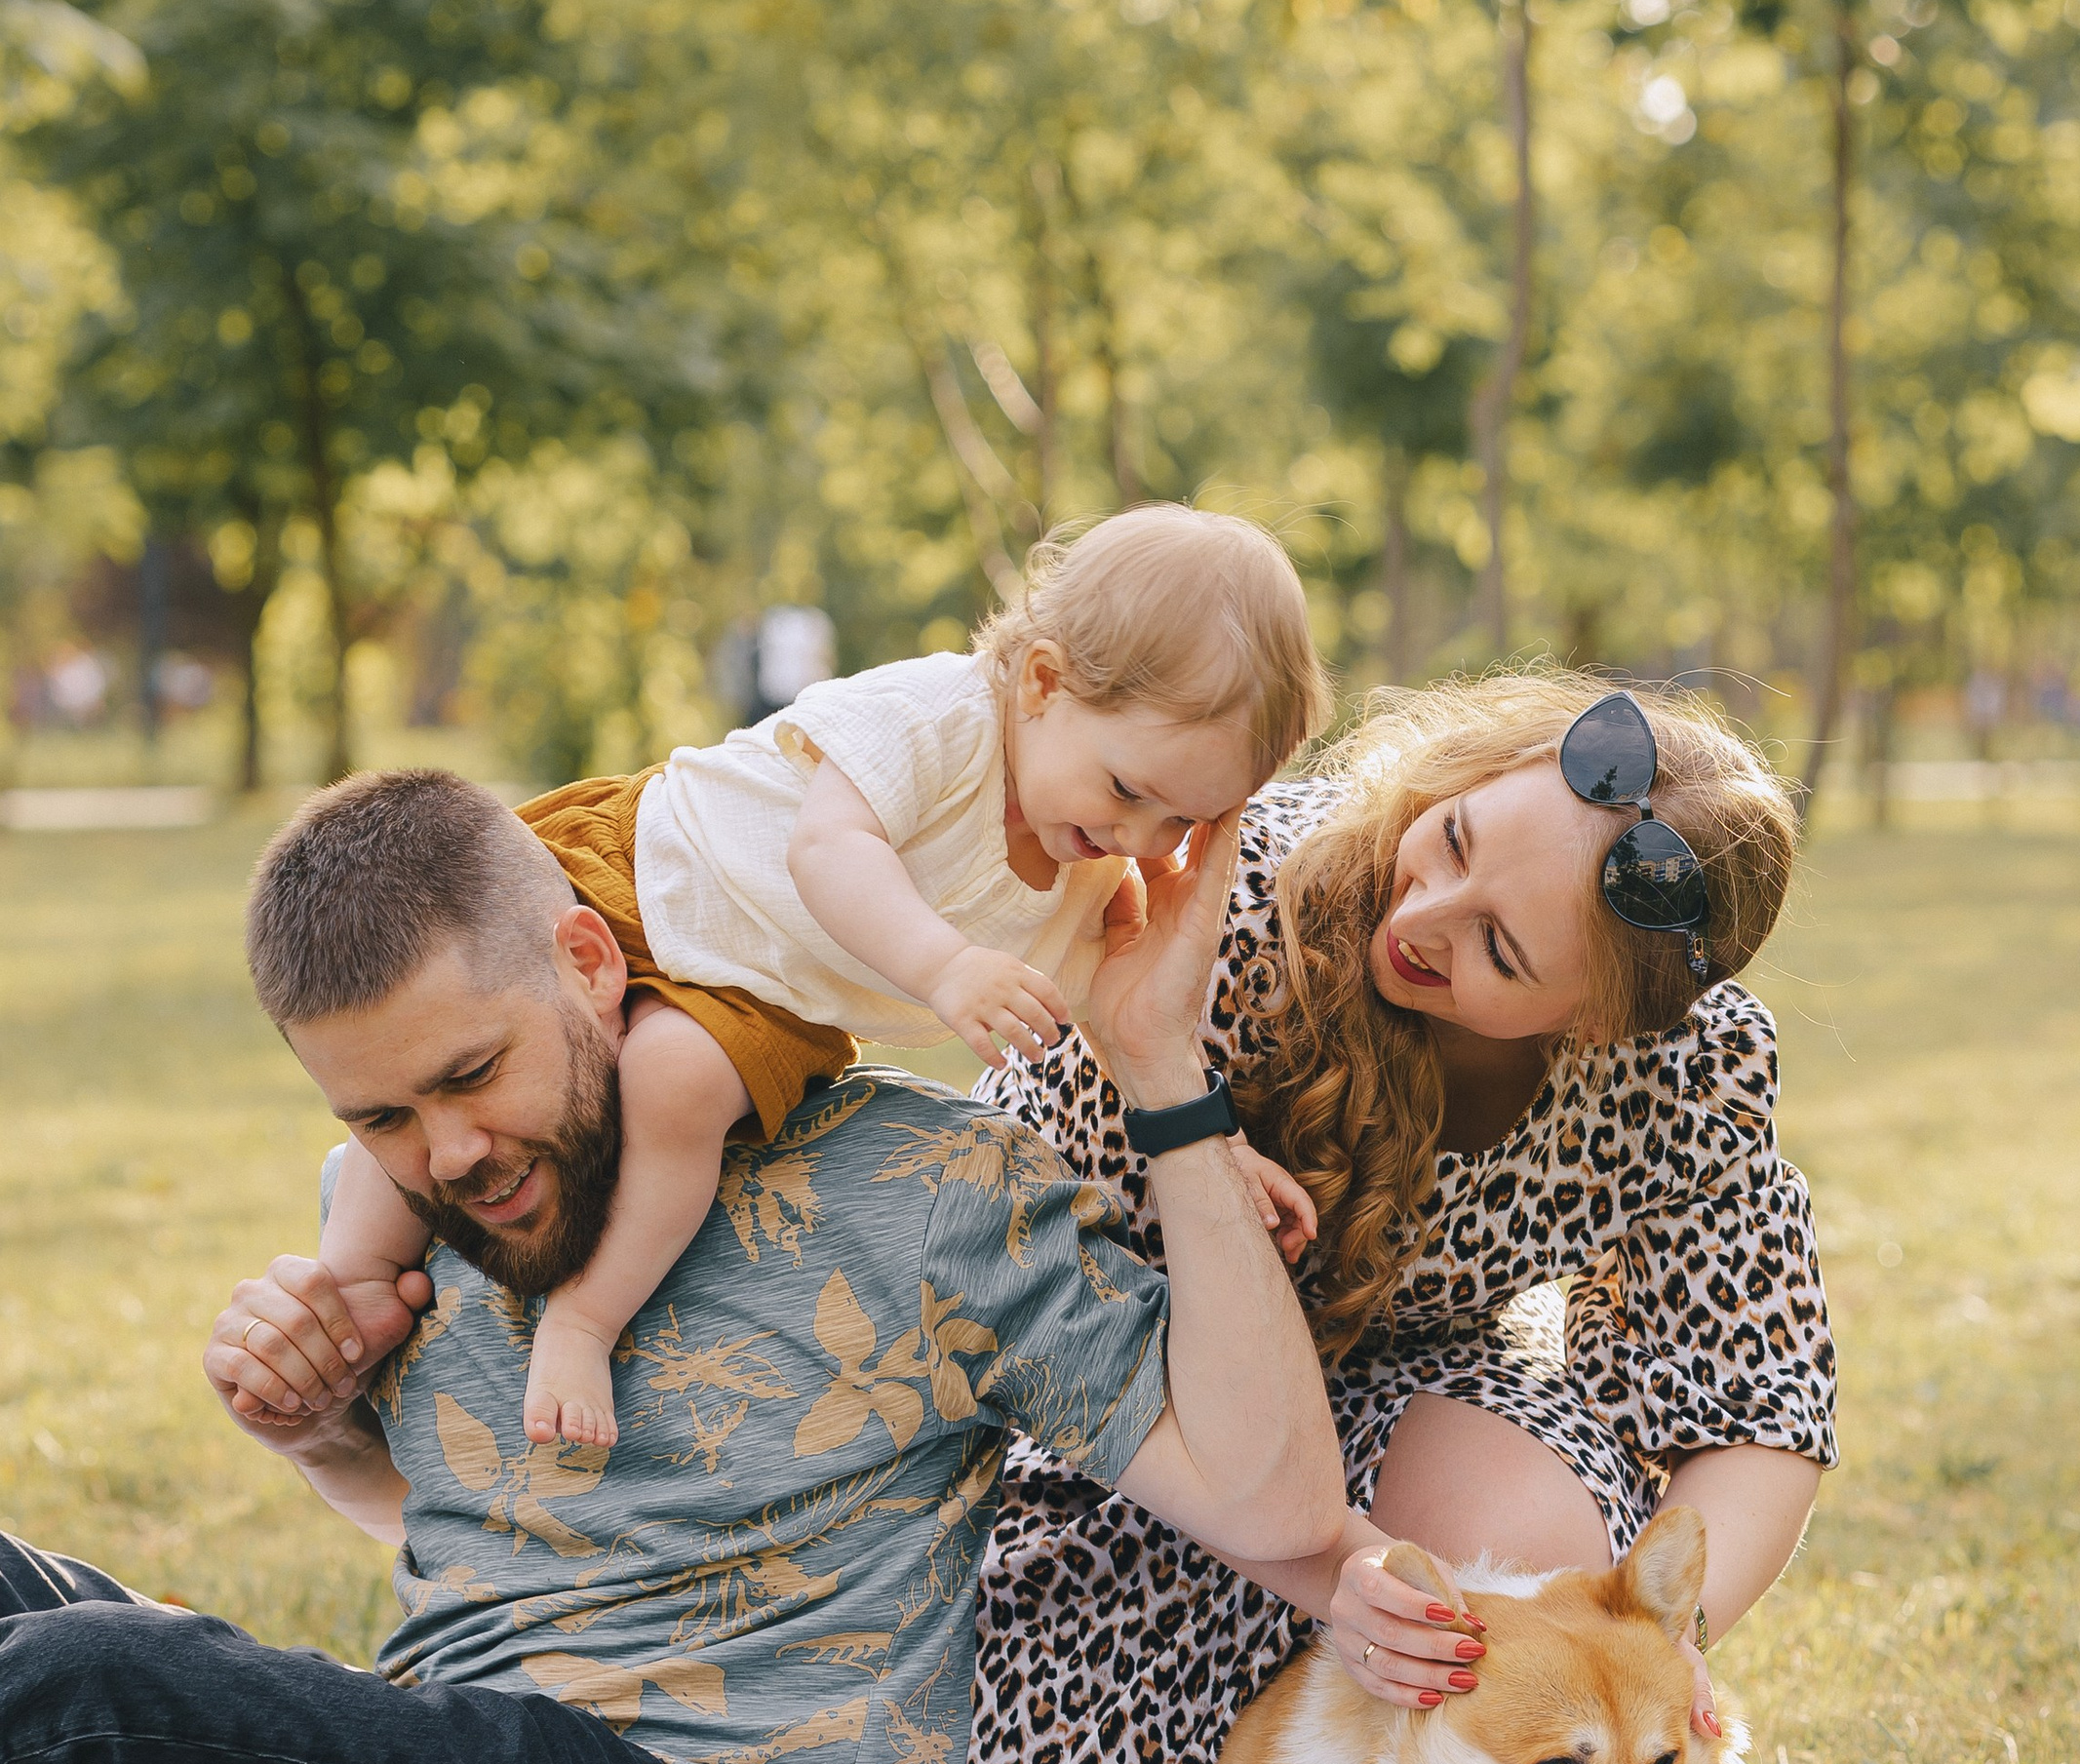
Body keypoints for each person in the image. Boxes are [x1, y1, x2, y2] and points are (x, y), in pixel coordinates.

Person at [0, 769, 1346, 1764]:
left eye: (471, 1074)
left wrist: (1164, 1076)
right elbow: (491, 1530)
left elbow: (1272, 1498)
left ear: (586, 959)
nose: (448, 1150)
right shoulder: (416, 1205)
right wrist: (315, 1424)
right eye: (379, 1116)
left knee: (87, 1694)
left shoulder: (926, 1195)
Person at [942, 674, 1840, 1764]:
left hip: (1414, 1436)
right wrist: (1325, 1566)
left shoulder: (1684, 1070)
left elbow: (1760, 1396)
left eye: (1501, 950)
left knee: (1519, 1522)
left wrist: (1663, 1655)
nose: (1426, 914)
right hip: (1134, 1444)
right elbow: (1024, 1301)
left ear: (1593, 1023)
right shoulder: (1218, 898)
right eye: (1456, 837)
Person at [316, 511, 1331, 1455]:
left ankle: (584, 1317)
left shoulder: (1088, 878)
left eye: (1181, 823)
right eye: (1125, 790)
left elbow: (1110, 1030)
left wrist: (1220, 1145)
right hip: (653, 865)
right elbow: (828, 847)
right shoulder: (941, 717)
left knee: (675, 1087)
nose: (1138, 836)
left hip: (759, 1000)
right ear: (1041, 683)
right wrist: (943, 965)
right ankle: (356, 1280)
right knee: (437, 1050)